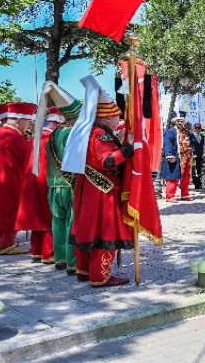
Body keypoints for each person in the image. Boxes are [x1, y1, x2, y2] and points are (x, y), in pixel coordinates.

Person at [65, 84, 136, 287]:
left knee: (88, 230)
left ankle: (84, 270)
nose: (119, 120)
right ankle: (100, 275)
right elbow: (107, 161)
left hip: (89, 187)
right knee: (106, 232)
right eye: (117, 117)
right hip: (103, 190)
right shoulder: (100, 134)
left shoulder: (89, 131)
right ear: (107, 118)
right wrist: (129, 148)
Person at [0, 102, 37, 255]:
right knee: (10, 210)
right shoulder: (13, 136)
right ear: (19, 120)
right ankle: (7, 243)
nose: (29, 125)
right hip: (10, 180)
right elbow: (28, 157)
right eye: (28, 121)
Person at [15, 107, 65, 264]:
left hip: (31, 181)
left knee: (37, 217)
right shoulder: (52, 138)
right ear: (58, 124)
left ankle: (36, 250)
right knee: (49, 217)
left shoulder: (35, 137)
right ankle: (48, 253)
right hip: (45, 181)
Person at [44, 82, 82, 274]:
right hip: (69, 185)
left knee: (57, 222)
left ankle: (59, 258)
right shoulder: (72, 134)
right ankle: (71, 261)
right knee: (70, 222)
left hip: (53, 184)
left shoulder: (53, 134)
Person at [161, 117, 194, 203]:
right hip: (176, 156)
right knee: (173, 176)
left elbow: (192, 141)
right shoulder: (171, 131)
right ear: (174, 122)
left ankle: (185, 194)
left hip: (186, 157)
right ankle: (170, 196)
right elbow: (168, 143)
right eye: (178, 121)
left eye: (181, 121)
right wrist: (169, 155)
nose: (180, 122)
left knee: (186, 177)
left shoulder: (186, 131)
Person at [191, 123, 205, 189]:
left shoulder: (203, 137)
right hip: (192, 156)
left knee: (199, 169)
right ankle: (195, 183)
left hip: (200, 155)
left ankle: (198, 183)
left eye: (199, 128)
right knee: (193, 170)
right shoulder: (190, 136)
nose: (197, 129)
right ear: (193, 128)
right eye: (196, 128)